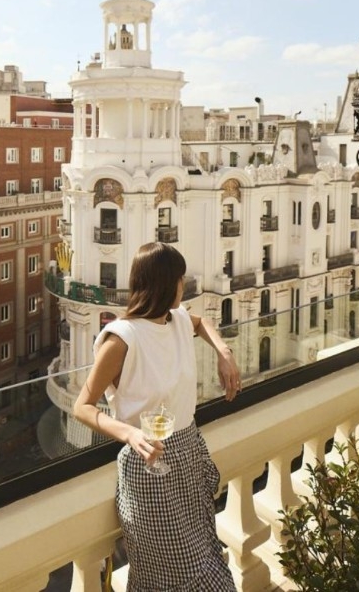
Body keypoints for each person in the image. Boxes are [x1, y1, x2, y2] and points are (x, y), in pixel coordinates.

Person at [73, 242, 241, 591]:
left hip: (188, 458)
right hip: (150, 471)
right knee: (186, 578)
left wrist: (224, 352)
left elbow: (201, 322)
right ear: (165, 283)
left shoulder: (175, 318)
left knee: (204, 558)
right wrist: (129, 434)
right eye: (180, 278)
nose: (185, 285)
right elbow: (83, 406)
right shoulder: (122, 339)